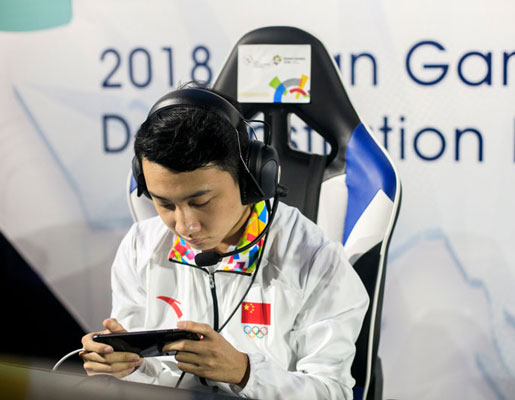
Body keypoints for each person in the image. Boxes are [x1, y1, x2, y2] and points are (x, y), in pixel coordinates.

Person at [79, 85, 369, 399]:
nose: (185, 226)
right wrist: (126, 367)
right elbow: (148, 378)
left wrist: (245, 373)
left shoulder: (316, 261)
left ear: (250, 180)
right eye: (165, 204)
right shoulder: (140, 246)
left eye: (201, 202)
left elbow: (332, 392)